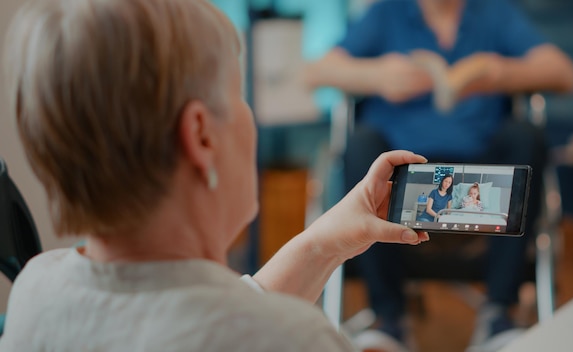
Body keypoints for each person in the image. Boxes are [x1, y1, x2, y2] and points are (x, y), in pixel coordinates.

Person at [0, 0, 431, 350]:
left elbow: (219, 315)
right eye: (237, 95)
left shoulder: (35, 289)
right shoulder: (299, 340)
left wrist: (322, 245)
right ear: (201, 136)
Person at [304, 0, 573, 349]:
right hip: (401, 175)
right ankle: (390, 319)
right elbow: (313, 72)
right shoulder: (387, 13)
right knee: (360, 144)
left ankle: (498, 315)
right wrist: (377, 76)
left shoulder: (492, 13)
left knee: (526, 136)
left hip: (482, 173)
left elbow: (564, 73)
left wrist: (498, 75)